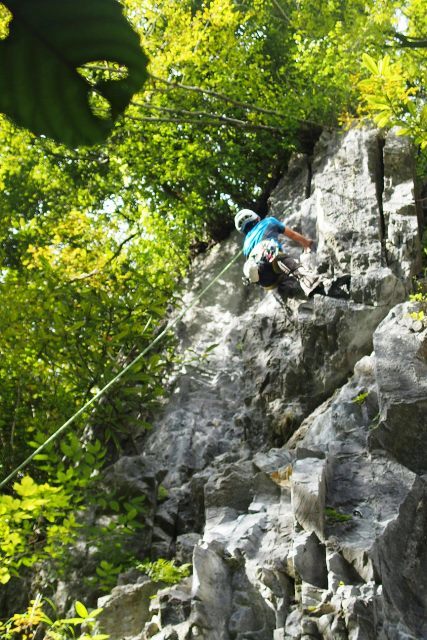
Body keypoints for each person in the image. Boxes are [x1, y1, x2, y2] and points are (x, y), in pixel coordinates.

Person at [234, 209, 350, 299]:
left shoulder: (246, 245)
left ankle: (288, 282)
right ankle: (313, 283)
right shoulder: (268, 222)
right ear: (256, 217)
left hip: (265, 281)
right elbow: (293, 235)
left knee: (271, 261)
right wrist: (307, 243)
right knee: (281, 259)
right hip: (274, 262)